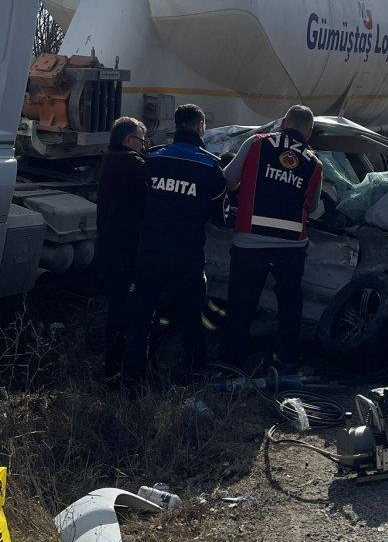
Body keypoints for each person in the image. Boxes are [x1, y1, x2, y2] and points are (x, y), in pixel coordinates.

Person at [122, 103, 226, 385]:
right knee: (192, 319)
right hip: (188, 256)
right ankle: (192, 378)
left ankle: (132, 381)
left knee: (142, 317)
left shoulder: (152, 158)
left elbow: (137, 202)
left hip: (150, 252)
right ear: (199, 126)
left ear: (177, 125)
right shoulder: (210, 166)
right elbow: (219, 215)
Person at [219, 105, 323, 372]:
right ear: (309, 132)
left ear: (283, 122)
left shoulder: (256, 144)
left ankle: (232, 363)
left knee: (242, 304)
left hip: (250, 241)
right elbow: (312, 207)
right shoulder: (315, 163)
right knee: (290, 305)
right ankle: (286, 361)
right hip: (291, 246)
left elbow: (228, 179)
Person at [96, 116, 147, 380]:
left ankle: (112, 367)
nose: (143, 146)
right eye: (141, 140)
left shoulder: (109, 160)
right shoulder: (131, 164)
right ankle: (118, 370)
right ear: (129, 140)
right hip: (126, 251)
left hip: (109, 247)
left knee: (116, 309)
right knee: (125, 312)